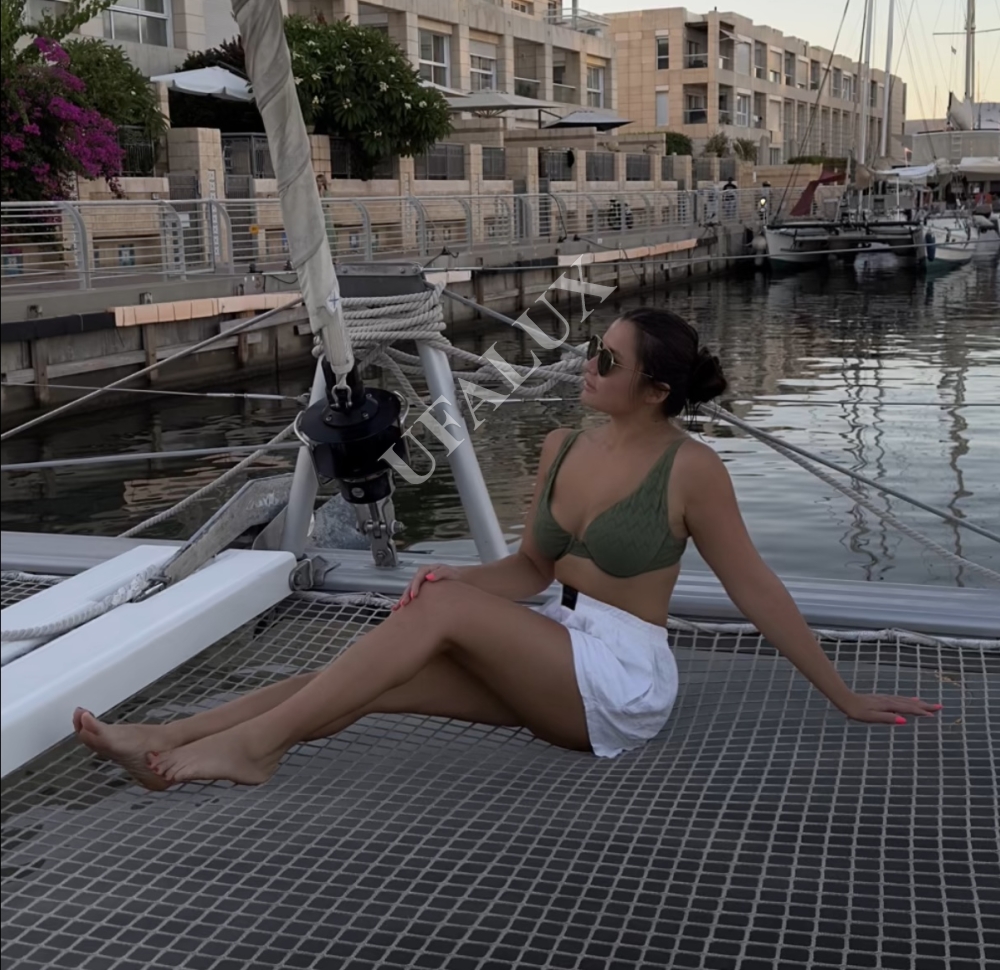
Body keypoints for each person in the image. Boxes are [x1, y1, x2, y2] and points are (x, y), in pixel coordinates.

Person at [73, 308, 941, 788]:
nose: (589, 365)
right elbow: (530, 571)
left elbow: (755, 589)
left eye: (608, 360)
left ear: (654, 390)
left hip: (623, 680)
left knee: (432, 617)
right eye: (593, 349)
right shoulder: (561, 445)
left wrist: (843, 694)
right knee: (361, 682)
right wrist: (455, 573)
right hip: (554, 646)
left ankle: (255, 749)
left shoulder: (692, 470)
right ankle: (163, 740)